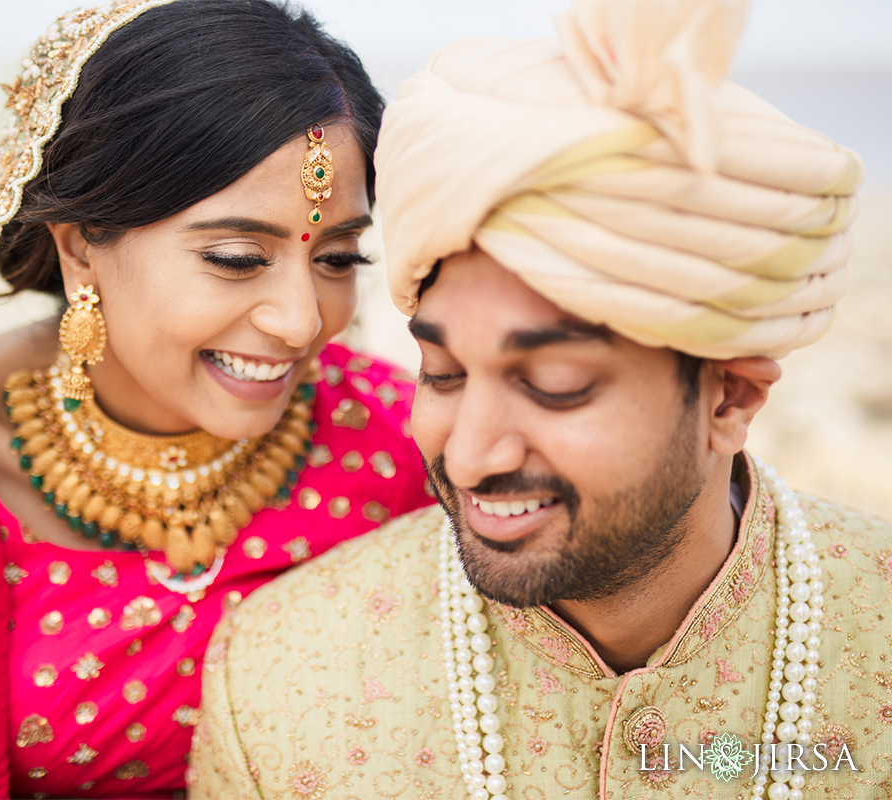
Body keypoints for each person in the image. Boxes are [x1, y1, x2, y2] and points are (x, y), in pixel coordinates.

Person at [189, 3, 888, 799]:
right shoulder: (281, 674)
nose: (471, 453)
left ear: (730, 396)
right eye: (443, 372)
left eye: (554, 387)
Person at [0, 1, 433, 795]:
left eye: (339, 258)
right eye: (239, 257)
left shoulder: (407, 442)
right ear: (79, 250)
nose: (302, 322)